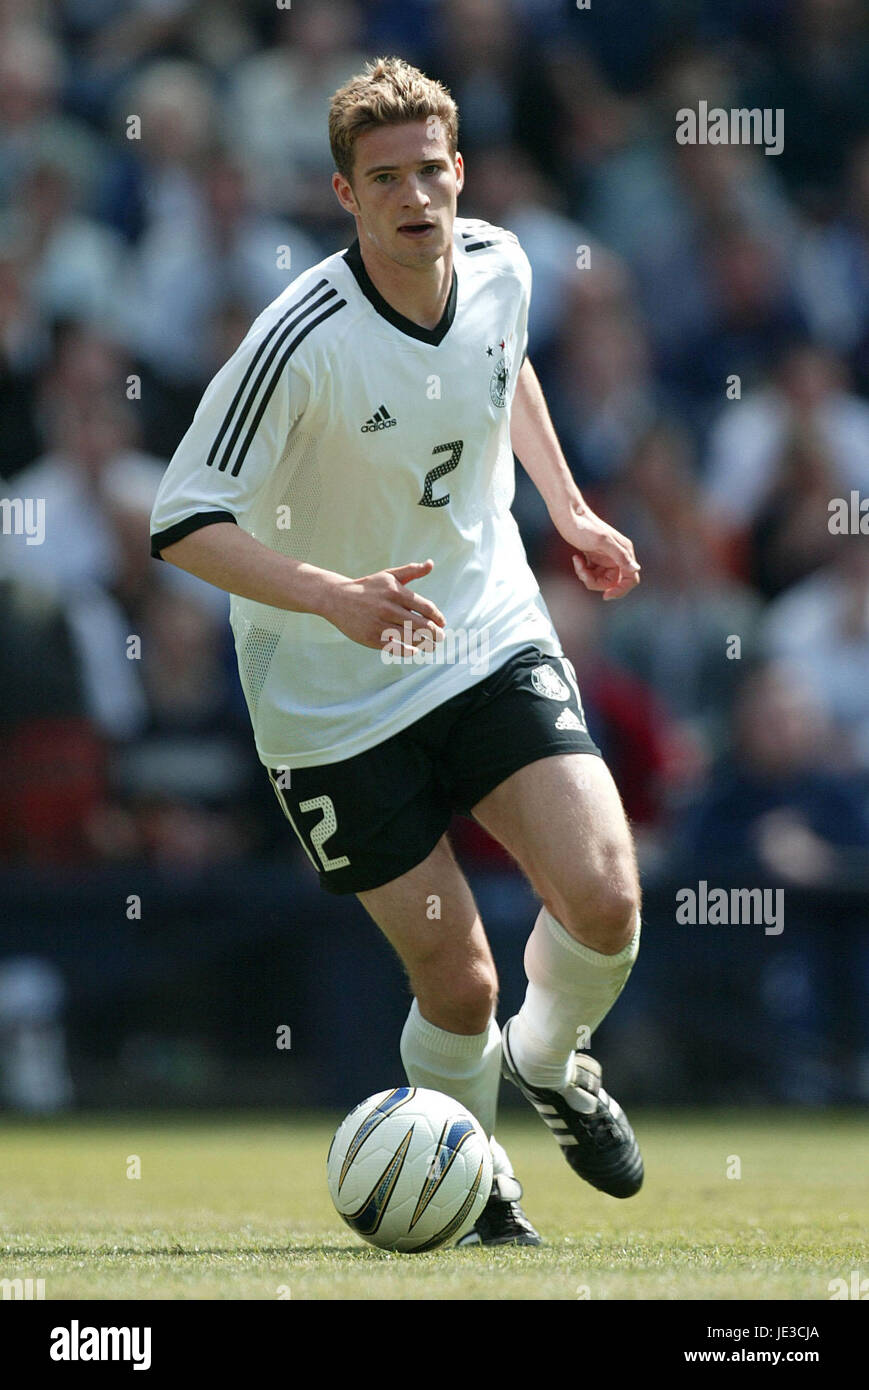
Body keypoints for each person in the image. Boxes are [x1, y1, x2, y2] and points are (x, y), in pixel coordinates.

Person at [149, 57, 643, 1246]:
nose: (416, 196)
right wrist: (328, 596)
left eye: (432, 171)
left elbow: (500, 364)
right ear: (344, 194)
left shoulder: (502, 265)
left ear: (459, 172)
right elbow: (180, 518)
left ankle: (551, 1056)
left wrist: (565, 508)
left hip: (479, 631)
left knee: (607, 900)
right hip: (327, 696)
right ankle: (477, 1197)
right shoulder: (297, 335)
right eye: (386, 179)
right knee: (458, 981)